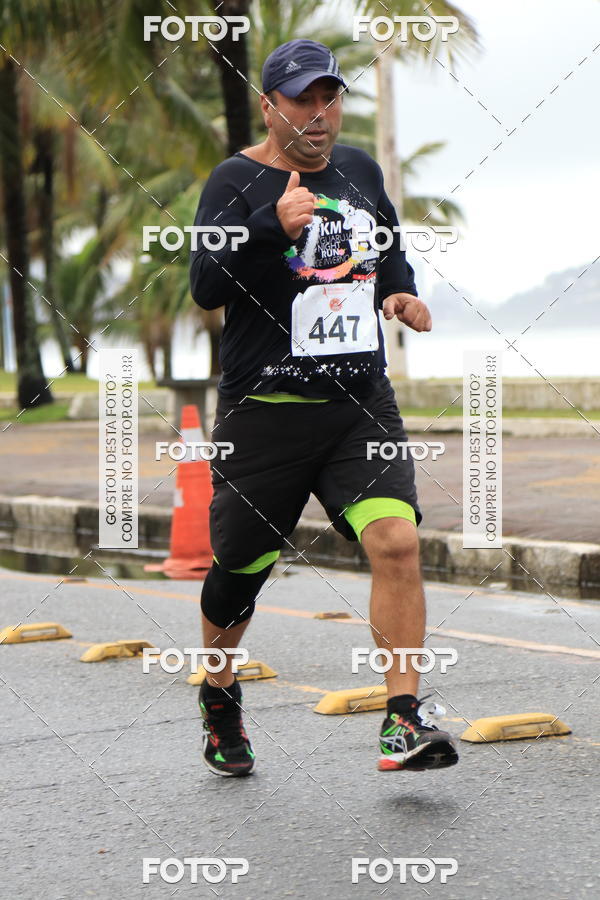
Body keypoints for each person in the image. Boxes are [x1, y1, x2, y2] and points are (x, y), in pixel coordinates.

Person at [189, 38, 458, 776]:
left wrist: (398, 292)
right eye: (302, 99)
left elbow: (388, 247)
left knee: (397, 543)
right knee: (239, 572)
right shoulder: (235, 181)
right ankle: (219, 694)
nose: (318, 113)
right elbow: (206, 285)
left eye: (328, 97)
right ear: (270, 105)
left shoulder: (360, 170)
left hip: (356, 404)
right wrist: (272, 224)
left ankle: (403, 721)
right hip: (264, 412)